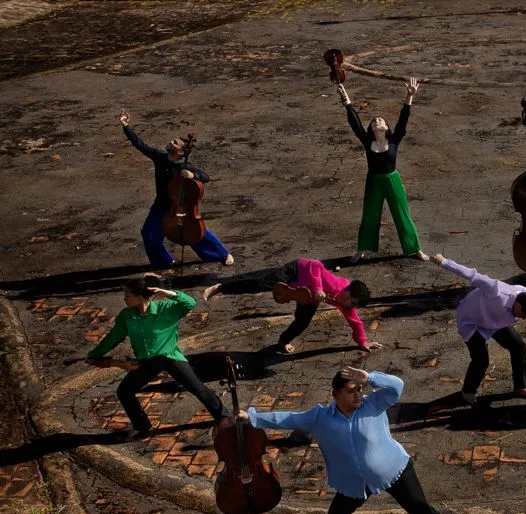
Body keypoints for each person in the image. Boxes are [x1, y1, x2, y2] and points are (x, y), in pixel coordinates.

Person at [242, 366, 464, 514]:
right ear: (335, 394)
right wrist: (252, 418)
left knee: (421, 509)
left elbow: (397, 386)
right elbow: (287, 418)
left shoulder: (373, 404)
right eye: (350, 391)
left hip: (393, 470)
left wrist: (369, 377)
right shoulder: (320, 416)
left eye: (359, 389)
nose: (357, 395)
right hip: (355, 481)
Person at [88, 275, 228, 439]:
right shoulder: (127, 315)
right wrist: (95, 354)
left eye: (128, 295)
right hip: (146, 361)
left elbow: (190, 302)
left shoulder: (167, 309)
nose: (124, 299)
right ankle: (142, 427)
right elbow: (113, 337)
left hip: (169, 357)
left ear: (140, 297)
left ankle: (225, 417)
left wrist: (165, 292)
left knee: (197, 388)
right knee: (124, 391)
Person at [427, 253, 526, 405]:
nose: (522, 319)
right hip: (472, 320)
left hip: (495, 322)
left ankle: (520, 386)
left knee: (518, 346)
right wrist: (443, 262)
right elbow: (471, 275)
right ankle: (468, 391)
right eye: (522, 315)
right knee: (481, 359)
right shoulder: (496, 290)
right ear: (518, 305)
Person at [118, 110, 234, 269]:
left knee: (195, 233)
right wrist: (126, 126)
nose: (170, 142)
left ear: (181, 152)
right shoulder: (159, 156)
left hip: (181, 207)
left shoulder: (184, 166)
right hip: (161, 205)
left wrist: (193, 175)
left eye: (174, 142)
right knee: (149, 234)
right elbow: (140, 144)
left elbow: (205, 176)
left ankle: (223, 254)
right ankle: (163, 261)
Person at [202, 258, 381, 354]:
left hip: (306, 294)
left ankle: (283, 341)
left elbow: (355, 322)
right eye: (353, 303)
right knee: (261, 283)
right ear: (348, 294)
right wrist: (319, 288)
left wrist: (362, 342)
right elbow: (315, 265)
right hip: (297, 272)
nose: (352, 308)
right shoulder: (336, 286)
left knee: (302, 321)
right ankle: (222, 287)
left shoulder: (346, 304)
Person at [337, 78, 423, 264]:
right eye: (374, 121)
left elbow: (403, 119)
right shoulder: (368, 142)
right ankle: (361, 250)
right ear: (372, 129)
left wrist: (409, 96)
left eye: (381, 120)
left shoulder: (394, 140)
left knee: (402, 213)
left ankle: (415, 249)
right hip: (374, 181)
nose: (377, 120)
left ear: (386, 128)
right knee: (370, 215)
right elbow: (355, 122)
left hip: (392, 180)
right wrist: (346, 99)